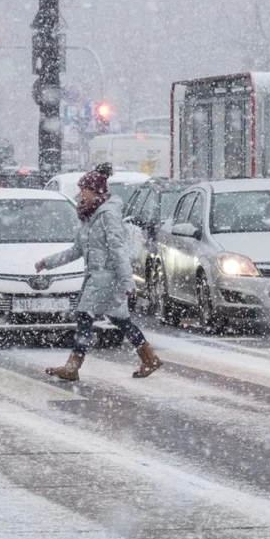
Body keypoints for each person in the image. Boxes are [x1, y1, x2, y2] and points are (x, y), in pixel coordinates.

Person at [35, 163, 162, 381]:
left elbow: (118, 249)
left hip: (107, 278)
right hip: (96, 278)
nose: (80, 193)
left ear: (94, 190)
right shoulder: (88, 215)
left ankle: (73, 366)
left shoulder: (107, 215)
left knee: (87, 317)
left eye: (83, 189)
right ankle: (148, 357)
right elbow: (77, 250)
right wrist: (48, 263)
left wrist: (127, 281)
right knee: (118, 319)